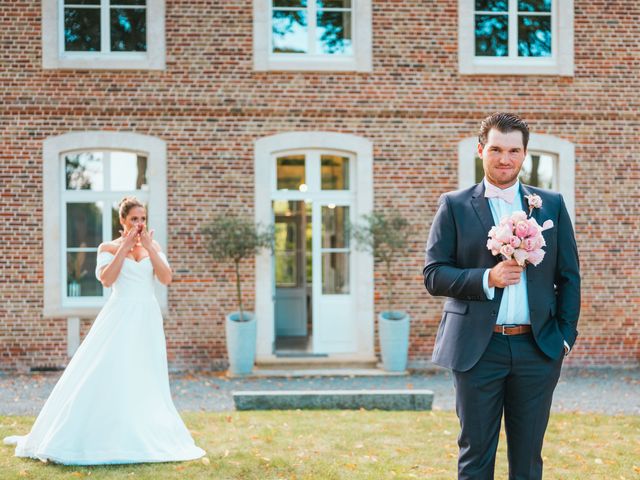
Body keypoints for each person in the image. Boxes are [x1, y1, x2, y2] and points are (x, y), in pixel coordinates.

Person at [423, 112, 580, 479]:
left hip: (537, 349)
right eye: (495, 149)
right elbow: (434, 275)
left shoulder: (550, 205)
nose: (504, 159)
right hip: (477, 350)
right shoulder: (455, 205)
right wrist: (486, 277)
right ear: (481, 151)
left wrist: (564, 339)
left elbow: (569, 276)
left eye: (513, 150)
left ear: (524, 155)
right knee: (475, 456)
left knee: (527, 460)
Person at [4, 197, 205, 465]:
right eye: (134, 219)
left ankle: (143, 431)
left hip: (146, 318)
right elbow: (107, 280)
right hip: (120, 316)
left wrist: (149, 248)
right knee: (111, 370)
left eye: (143, 218)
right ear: (122, 221)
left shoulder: (152, 246)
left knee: (145, 374)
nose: (140, 223)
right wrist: (124, 247)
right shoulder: (107, 247)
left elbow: (166, 278)